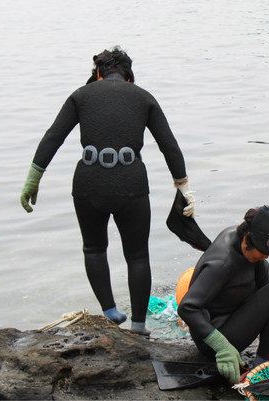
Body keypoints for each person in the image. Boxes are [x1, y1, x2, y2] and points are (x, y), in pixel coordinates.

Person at [20, 46, 195, 336]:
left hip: (88, 184)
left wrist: (32, 180)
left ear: (99, 73)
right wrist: (183, 188)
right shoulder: (143, 97)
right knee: (137, 255)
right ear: (129, 76)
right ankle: (139, 325)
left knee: (93, 247)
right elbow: (169, 146)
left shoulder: (80, 95)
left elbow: (53, 137)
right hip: (131, 185)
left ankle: (110, 311)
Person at [177, 200, 269, 383]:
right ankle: (263, 364)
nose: (265, 256)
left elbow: (266, 278)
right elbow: (187, 308)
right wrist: (221, 346)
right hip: (216, 338)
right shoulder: (221, 264)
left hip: (231, 312)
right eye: (263, 252)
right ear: (247, 242)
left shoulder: (241, 235)